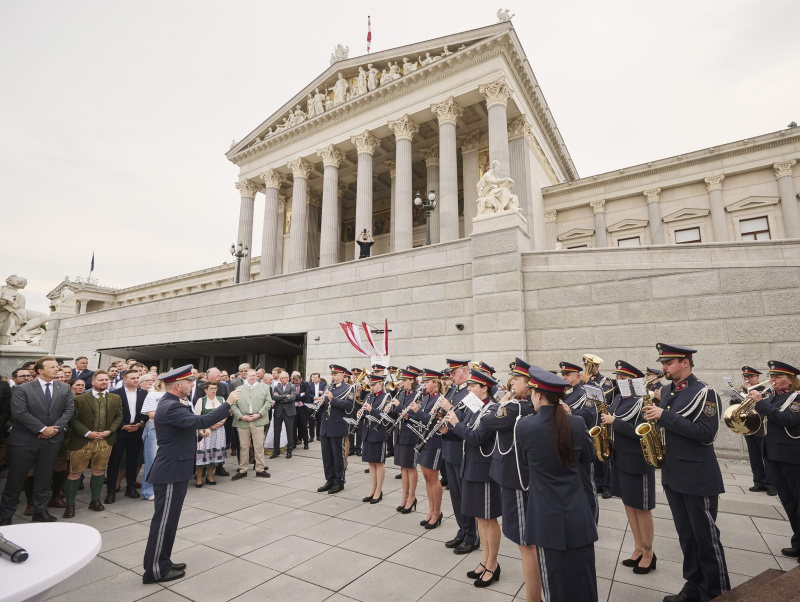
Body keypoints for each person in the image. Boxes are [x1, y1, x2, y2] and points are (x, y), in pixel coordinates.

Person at [643, 343, 729, 602]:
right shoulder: (668, 391)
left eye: (668, 363)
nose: (664, 367)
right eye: (662, 363)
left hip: (697, 477)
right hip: (673, 474)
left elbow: (706, 434)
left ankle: (716, 592)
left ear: (685, 363)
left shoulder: (705, 392)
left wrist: (663, 416)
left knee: (706, 538)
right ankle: (693, 587)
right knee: (687, 537)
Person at [141, 365, 238, 584]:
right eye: (189, 382)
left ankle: (163, 561)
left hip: (176, 468)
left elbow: (182, 430)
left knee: (170, 521)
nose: (193, 385)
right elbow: (200, 421)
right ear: (178, 385)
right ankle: (155, 570)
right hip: (170, 471)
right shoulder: (171, 405)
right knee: (164, 522)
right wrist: (228, 403)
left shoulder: (173, 403)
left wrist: (197, 435)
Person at [518, 366, 598, 602]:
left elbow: (523, 466)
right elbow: (589, 458)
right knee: (584, 579)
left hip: (546, 517)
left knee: (554, 585)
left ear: (538, 395)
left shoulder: (525, 426)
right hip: (577, 513)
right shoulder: (577, 423)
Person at [480, 358, 541, 601]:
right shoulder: (521, 406)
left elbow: (487, 420)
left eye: (517, 379)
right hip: (514, 476)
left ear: (530, 384)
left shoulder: (516, 408)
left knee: (525, 543)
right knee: (524, 541)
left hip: (516, 479)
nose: (511, 382)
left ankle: (533, 597)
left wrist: (498, 404)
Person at [444, 368, 503, 589]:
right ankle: (485, 561)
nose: (468, 389)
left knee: (489, 519)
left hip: (483, 471)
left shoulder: (492, 409)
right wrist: (448, 429)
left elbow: (476, 437)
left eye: (472, 386)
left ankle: (493, 564)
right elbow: (464, 432)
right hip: (471, 467)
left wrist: (455, 422)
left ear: (484, 388)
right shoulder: (475, 407)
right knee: (480, 518)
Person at [0, 357, 74, 525]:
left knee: (44, 478)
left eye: (57, 367)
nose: (56, 369)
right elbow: (20, 412)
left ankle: (40, 512)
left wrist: (54, 429)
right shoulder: (23, 389)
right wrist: (42, 429)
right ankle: (5, 516)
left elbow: (69, 410)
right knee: (15, 480)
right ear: (39, 370)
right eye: (52, 367)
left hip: (52, 441)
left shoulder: (64, 388)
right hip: (24, 442)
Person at [600, 361, 657, 574]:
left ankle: (649, 553)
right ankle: (638, 548)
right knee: (629, 505)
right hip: (620, 459)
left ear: (635, 381)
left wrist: (614, 421)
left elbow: (643, 431)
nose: (619, 381)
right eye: (618, 377)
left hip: (638, 461)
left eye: (623, 378)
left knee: (642, 508)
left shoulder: (643, 401)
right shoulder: (617, 399)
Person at [750, 361, 800, 562]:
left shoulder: (797, 397)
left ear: (791, 379)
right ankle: (798, 543)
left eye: (778, 377)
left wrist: (761, 403)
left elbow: (788, 419)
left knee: (798, 500)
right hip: (773, 454)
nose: (773, 380)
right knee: (788, 501)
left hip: (792, 457)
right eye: (772, 376)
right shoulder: (772, 397)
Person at [63, 370, 122, 518]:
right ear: (93, 382)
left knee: (99, 470)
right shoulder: (79, 399)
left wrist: (110, 431)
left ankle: (95, 500)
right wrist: (88, 433)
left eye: (106, 380)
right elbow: (73, 419)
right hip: (82, 441)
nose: (104, 382)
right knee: (75, 472)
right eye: (101, 380)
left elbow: (119, 416)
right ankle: (70, 505)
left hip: (105, 441)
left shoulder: (115, 398)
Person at [438, 358, 479, 554]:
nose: (451, 376)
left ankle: (472, 536)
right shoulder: (453, 389)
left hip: (461, 450)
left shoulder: (471, 392)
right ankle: (462, 531)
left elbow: (471, 422)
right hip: (449, 447)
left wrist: (448, 409)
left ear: (464, 371)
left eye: (454, 373)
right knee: (455, 495)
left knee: (465, 497)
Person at [560, 360, 600, 523]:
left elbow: (589, 417)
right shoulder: (564, 394)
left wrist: (568, 411)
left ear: (578, 376)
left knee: (587, 486)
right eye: (563, 375)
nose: (564, 378)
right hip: (565, 444)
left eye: (567, 375)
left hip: (582, 445)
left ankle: (592, 521)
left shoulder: (587, 393)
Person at [105, 369, 147, 504]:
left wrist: (141, 423)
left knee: (132, 460)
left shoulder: (143, 393)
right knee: (115, 461)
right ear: (125, 380)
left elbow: (146, 411)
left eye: (137, 378)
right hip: (120, 432)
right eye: (133, 378)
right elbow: (110, 414)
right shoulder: (115, 394)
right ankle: (111, 491)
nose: (136, 380)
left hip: (136, 431)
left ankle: (131, 487)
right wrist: (123, 426)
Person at [737, 366, 777, 496]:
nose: (747, 379)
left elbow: (767, 407)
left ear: (757, 377)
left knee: (767, 456)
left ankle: (771, 484)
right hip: (749, 426)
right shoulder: (743, 391)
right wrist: (736, 397)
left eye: (750, 377)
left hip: (762, 427)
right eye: (745, 377)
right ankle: (758, 482)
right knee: (754, 456)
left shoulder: (765, 391)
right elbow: (736, 407)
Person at [317, 365, 355, 494]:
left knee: (337, 456)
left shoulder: (349, 388)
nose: (333, 377)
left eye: (335, 374)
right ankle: (330, 480)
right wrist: (320, 403)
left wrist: (333, 399)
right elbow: (325, 407)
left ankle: (339, 481)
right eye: (332, 374)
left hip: (337, 426)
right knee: (327, 456)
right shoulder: (328, 387)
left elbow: (349, 406)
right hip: (325, 426)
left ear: (342, 375)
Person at [387, 369, 421, 512]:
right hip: (400, 433)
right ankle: (404, 497)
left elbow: (412, 414)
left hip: (411, 435)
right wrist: (389, 410)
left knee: (411, 467)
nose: (402, 383)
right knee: (403, 467)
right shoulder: (402, 393)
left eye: (405, 380)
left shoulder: (418, 394)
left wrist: (398, 406)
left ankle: (412, 497)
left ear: (412, 380)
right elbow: (397, 414)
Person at [230, 369, 271, 480]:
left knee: (259, 446)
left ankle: (260, 469)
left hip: (258, 420)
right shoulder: (239, 389)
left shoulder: (265, 387)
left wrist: (259, 414)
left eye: (254, 375)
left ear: (256, 376)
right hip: (243, 421)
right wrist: (241, 416)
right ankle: (243, 470)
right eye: (249, 375)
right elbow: (233, 405)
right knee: (243, 447)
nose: (252, 377)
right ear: (245, 376)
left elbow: (268, 402)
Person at [359, 373, 390, 503]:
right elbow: (364, 411)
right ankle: (373, 489)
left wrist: (371, 409)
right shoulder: (368, 396)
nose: (372, 387)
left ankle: (379, 490)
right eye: (371, 385)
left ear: (381, 384)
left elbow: (385, 416)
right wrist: (361, 413)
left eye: (374, 385)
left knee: (379, 462)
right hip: (368, 432)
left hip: (378, 433)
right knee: (371, 462)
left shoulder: (386, 397)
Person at [194, 382, 227, 487]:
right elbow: (196, 416)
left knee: (213, 453)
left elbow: (226, 413)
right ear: (205, 390)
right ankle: (199, 478)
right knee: (203, 453)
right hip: (205, 430)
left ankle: (209, 476)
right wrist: (207, 425)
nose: (214, 390)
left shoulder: (221, 399)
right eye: (211, 388)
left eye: (215, 388)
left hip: (219, 431)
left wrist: (221, 423)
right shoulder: (201, 400)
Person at [140, 378, 166, 501]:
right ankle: (148, 490)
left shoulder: (176, 396)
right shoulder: (153, 395)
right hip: (155, 428)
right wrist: (171, 415)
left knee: (165, 461)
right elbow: (151, 414)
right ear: (160, 382)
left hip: (170, 429)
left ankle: (161, 488)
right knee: (152, 460)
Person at [270, 371, 296, 459]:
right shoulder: (277, 386)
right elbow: (274, 397)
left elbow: (292, 397)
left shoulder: (292, 386)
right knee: (276, 432)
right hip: (278, 411)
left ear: (288, 378)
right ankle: (276, 451)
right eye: (281, 378)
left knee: (290, 432)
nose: (283, 379)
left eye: (285, 378)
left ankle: (289, 451)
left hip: (289, 412)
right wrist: (285, 396)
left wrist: (280, 397)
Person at [292, 371, 311, 450]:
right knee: (293, 426)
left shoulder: (305, 384)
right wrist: (300, 395)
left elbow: (307, 395)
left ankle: (306, 443)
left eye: (298, 383)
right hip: (294, 408)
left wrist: (296, 397)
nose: (296, 385)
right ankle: (294, 443)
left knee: (303, 426)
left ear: (300, 380)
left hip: (303, 408)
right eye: (295, 383)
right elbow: (292, 397)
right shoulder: (291, 385)